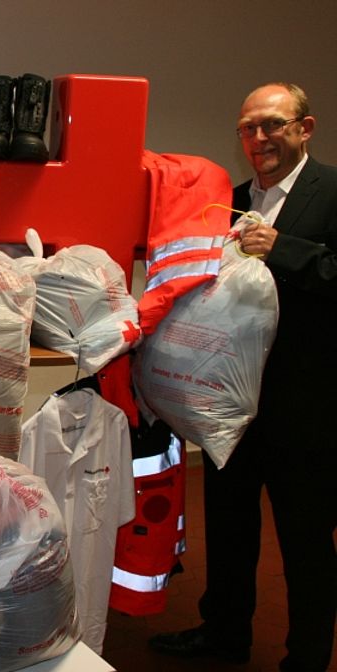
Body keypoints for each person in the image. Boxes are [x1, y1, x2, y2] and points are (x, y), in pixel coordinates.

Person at [149, 83, 337, 671]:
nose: (259, 138)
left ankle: (306, 659)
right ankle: (224, 633)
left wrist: (285, 249)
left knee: (306, 543)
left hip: (304, 408)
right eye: (248, 128)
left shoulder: (332, 191)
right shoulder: (226, 201)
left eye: (273, 125)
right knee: (229, 530)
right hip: (229, 405)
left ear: (304, 129)